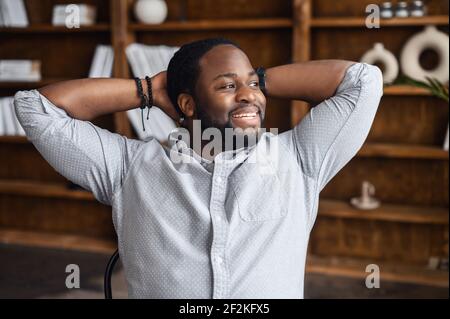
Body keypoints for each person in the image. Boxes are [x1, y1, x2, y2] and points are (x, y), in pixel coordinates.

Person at [14, 38, 383, 298]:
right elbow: (35, 108)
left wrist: (253, 82)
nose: (250, 95)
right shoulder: (129, 169)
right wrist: (149, 90)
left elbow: (364, 81)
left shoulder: (299, 157)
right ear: (188, 105)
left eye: (254, 86)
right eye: (226, 85)